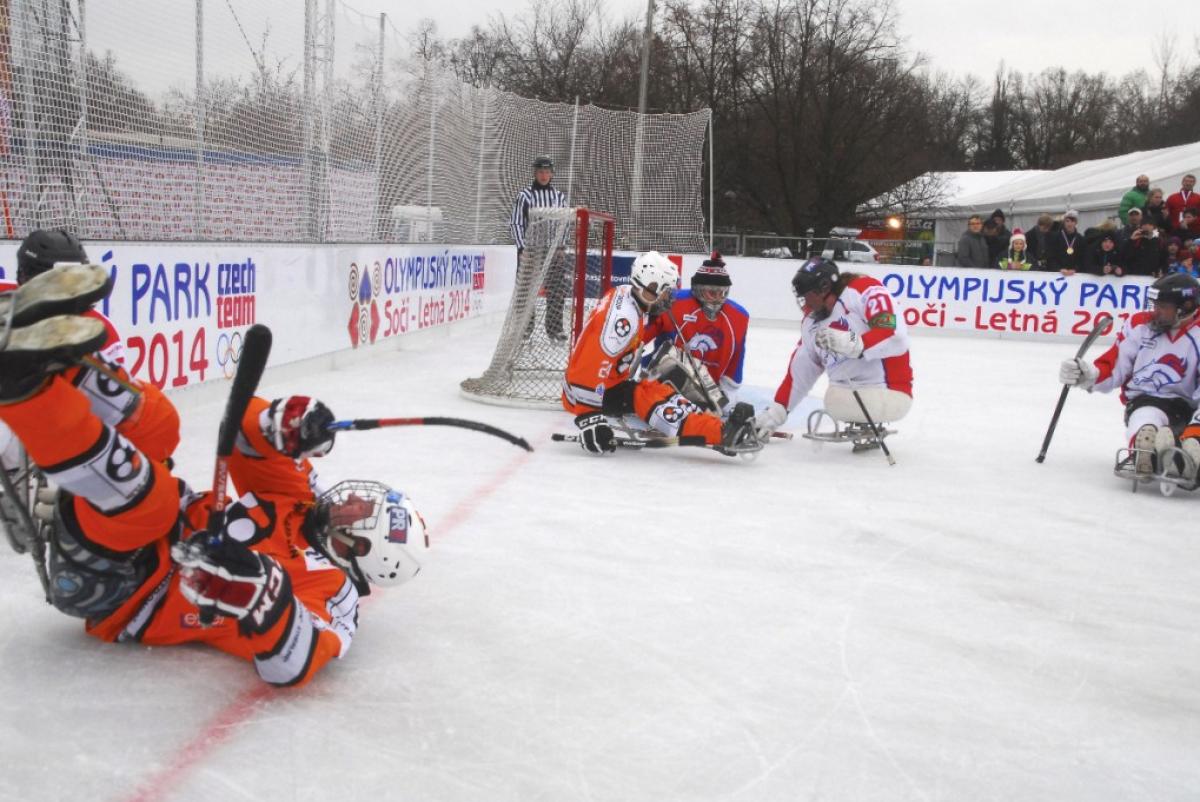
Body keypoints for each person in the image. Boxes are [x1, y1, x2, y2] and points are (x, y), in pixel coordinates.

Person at [0, 276, 424, 686]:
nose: (352, 498)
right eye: (365, 498)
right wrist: (281, 423)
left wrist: (262, 593)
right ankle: (49, 364)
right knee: (162, 425)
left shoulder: (335, 594)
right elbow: (244, 430)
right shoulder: (301, 500)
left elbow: (294, 663)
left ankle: (21, 387)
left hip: (125, 588)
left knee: (156, 505)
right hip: (136, 520)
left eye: (363, 512)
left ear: (363, 551)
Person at [560, 250, 759, 455]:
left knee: (660, 391)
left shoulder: (628, 296)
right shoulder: (623, 319)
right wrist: (589, 417)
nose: (669, 298)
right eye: (666, 292)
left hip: (608, 385)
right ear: (651, 287)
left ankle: (713, 425)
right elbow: (590, 364)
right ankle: (720, 433)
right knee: (655, 402)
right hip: (589, 394)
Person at [755, 257, 913, 441]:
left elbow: (894, 334)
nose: (805, 304)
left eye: (808, 297)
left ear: (824, 287)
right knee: (833, 396)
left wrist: (851, 343)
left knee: (841, 400)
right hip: (842, 397)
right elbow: (801, 370)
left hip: (889, 391)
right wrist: (775, 414)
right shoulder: (811, 322)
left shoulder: (864, 290)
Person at [1059, 272, 1200, 477]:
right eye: (1155, 305)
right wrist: (1087, 375)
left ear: (1185, 307)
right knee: (1145, 425)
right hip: (1146, 400)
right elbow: (1116, 367)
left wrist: (1196, 428)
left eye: (1163, 306)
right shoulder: (1140, 325)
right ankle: (1148, 452)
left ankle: (1189, 447)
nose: (1156, 311)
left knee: (1194, 441)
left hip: (1189, 407)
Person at [642, 251, 749, 409]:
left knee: (721, 407)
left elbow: (735, 363)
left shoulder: (739, 316)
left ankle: (705, 408)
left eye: (723, 293)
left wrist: (726, 395)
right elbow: (640, 338)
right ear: (698, 289)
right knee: (669, 355)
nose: (718, 298)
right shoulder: (673, 302)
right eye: (712, 292)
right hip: (658, 377)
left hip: (706, 388)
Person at [508, 155, 570, 341]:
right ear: (535, 173)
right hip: (531, 251)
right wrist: (522, 248)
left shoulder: (559, 197)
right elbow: (516, 223)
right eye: (540, 172)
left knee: (557, 290)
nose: (544, 175)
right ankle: (525, 328)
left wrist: (561, 247)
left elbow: (565, 222)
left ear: (551, 174)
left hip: (552, 250)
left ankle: (555, 329)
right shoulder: (525, 196)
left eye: (547, 172)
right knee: (526, 292)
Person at [1046, 210, 1085, 275]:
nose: (1069, 224)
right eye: (1067, 221)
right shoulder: (1055, 237)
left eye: (1072, 221)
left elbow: (1082, 258)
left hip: (1075, 275)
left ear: (1076, 223)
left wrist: (1075, 269)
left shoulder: (1080, 239)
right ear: (1064, 222)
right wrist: (1059, 269)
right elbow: (1050, 257)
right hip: (1058, 273)